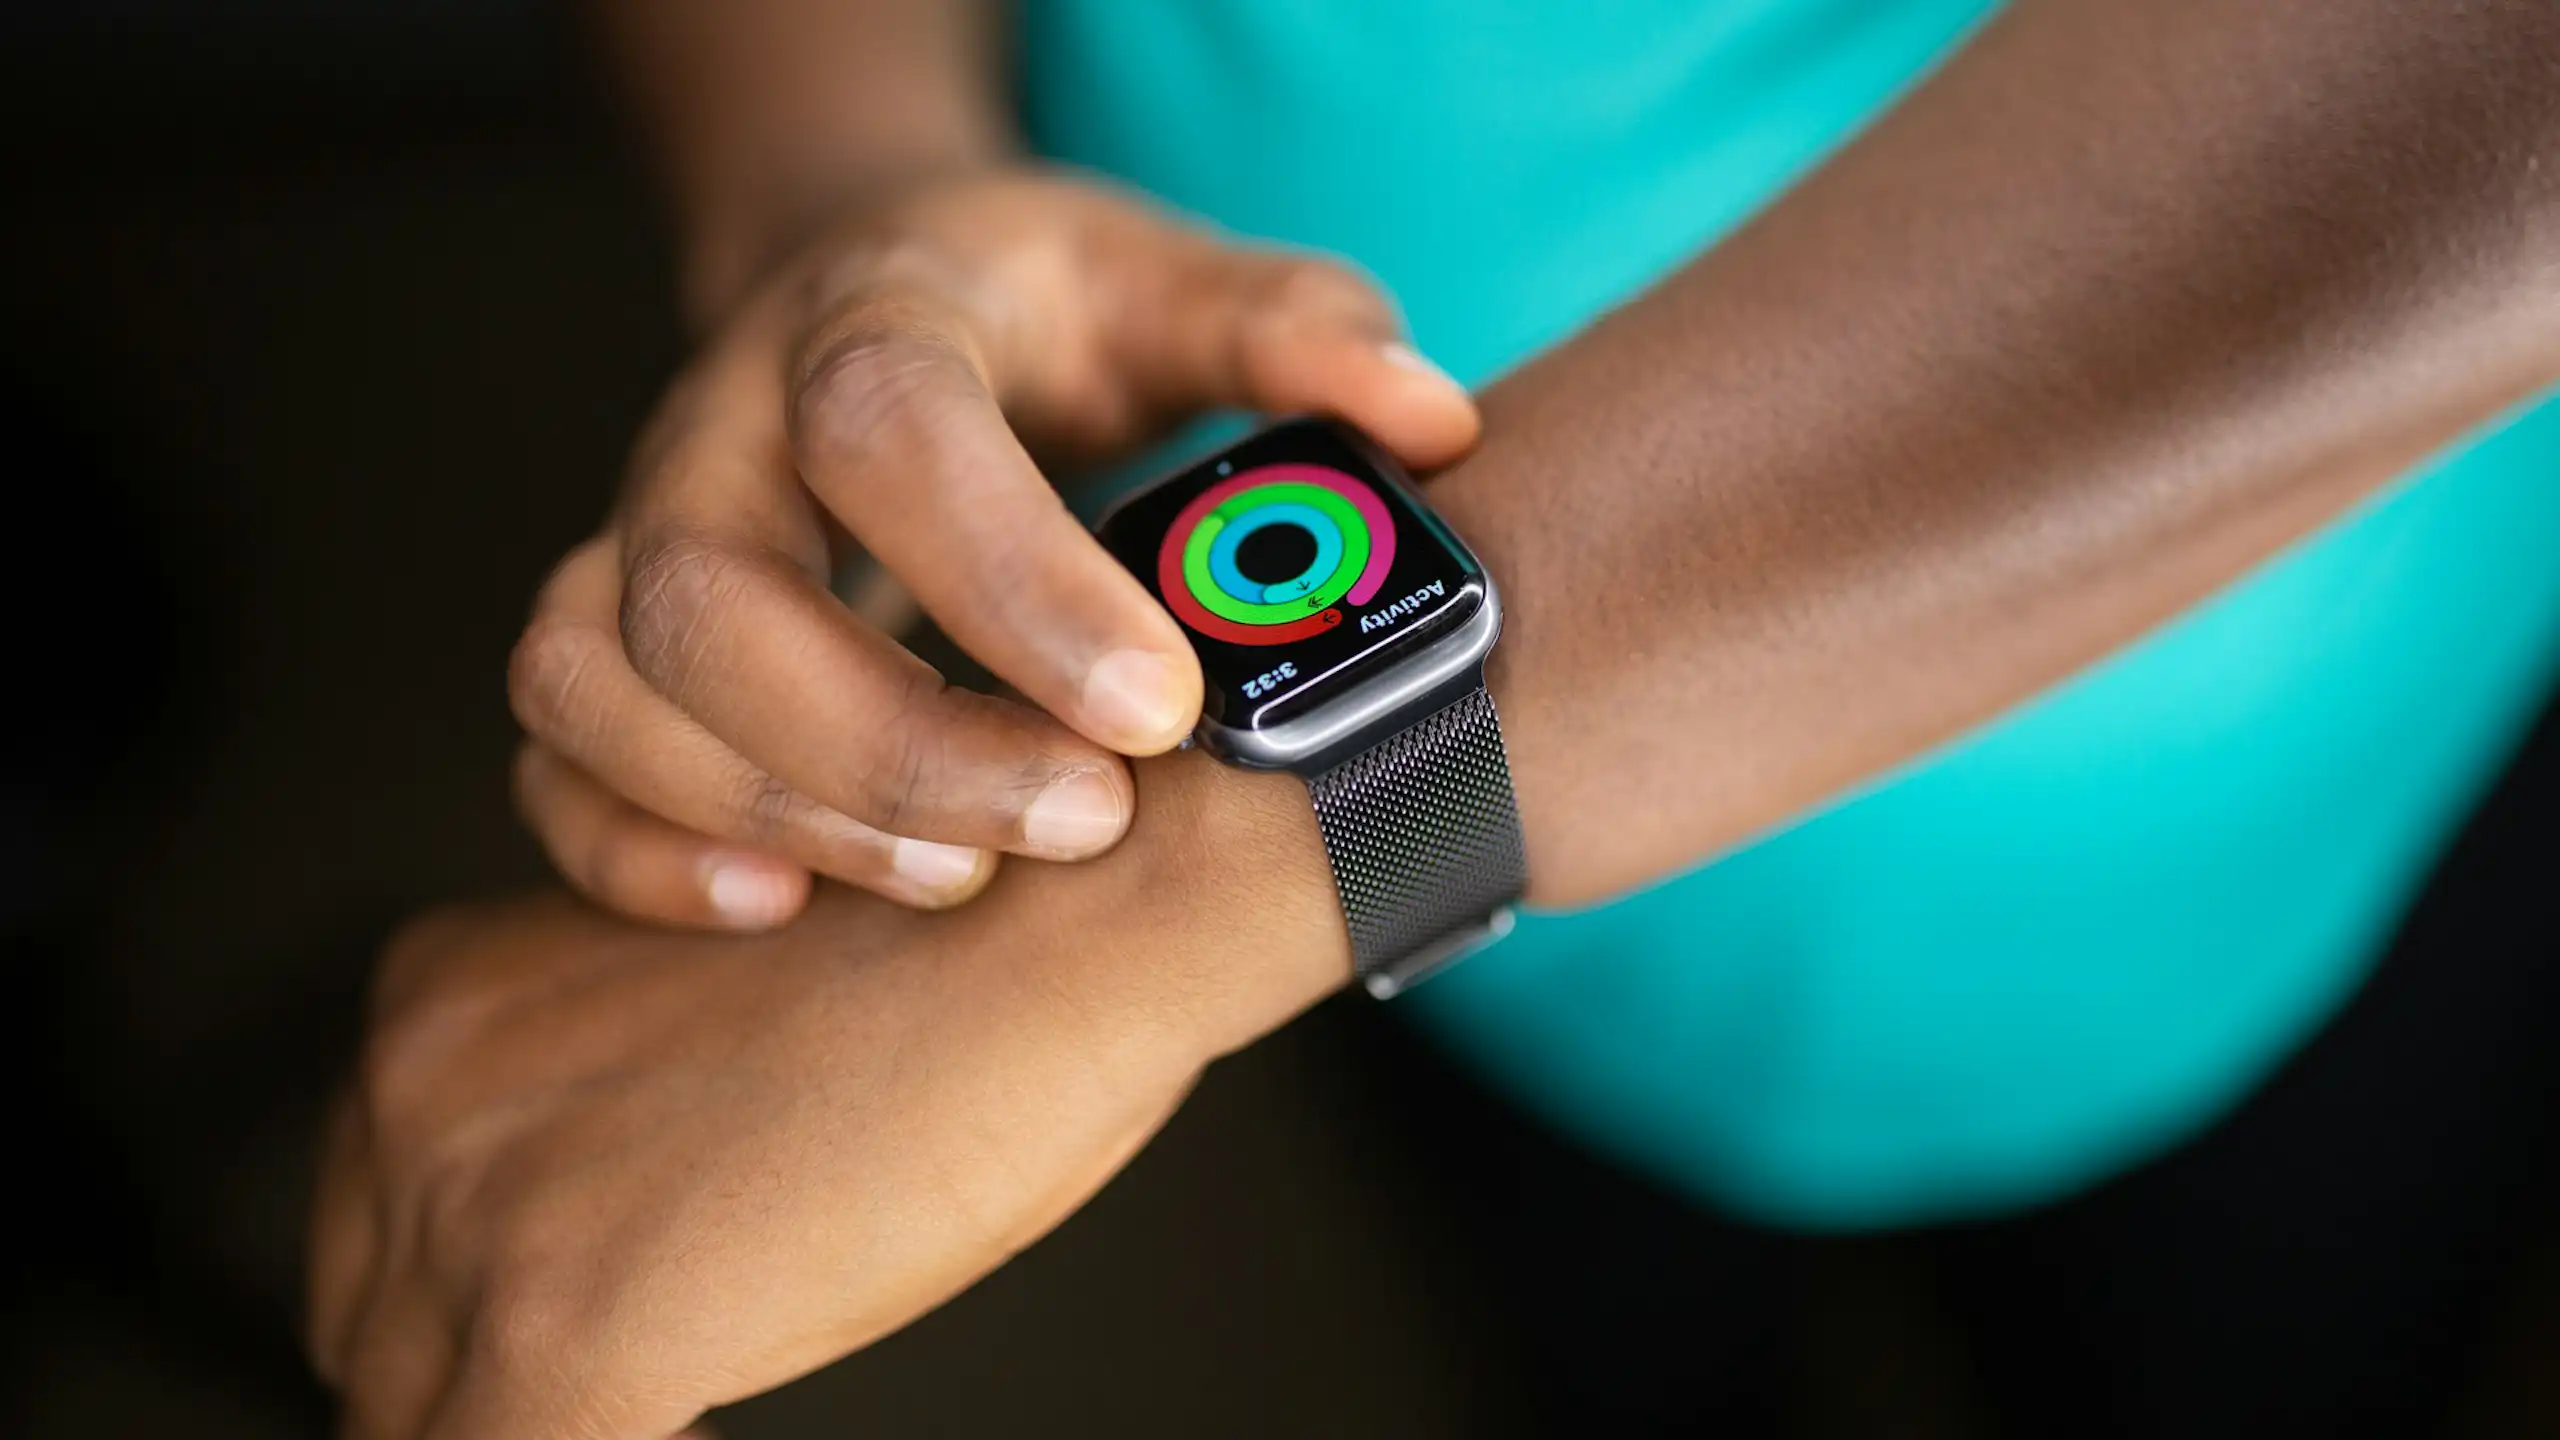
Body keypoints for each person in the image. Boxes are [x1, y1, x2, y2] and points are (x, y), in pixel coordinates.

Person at [307, 1, 2560, 1435]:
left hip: (2266, 855)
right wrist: (851, 180)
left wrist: (1201, 892)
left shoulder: (1185, 916)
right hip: (1436, 965)